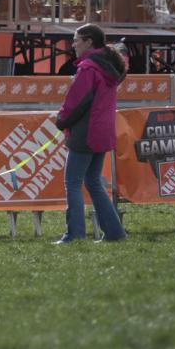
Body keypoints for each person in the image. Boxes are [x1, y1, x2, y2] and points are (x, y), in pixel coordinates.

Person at [53, 24, 127, 244]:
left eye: (75, 40)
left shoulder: (88, 68)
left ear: (88, 42)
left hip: (86, 132)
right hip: (103, 132)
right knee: (93, 182)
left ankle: (74, 234)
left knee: (73, 184)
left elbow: (76, 101)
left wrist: (62, 120)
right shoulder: (108, 67)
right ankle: (115, 232)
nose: (73, 44)